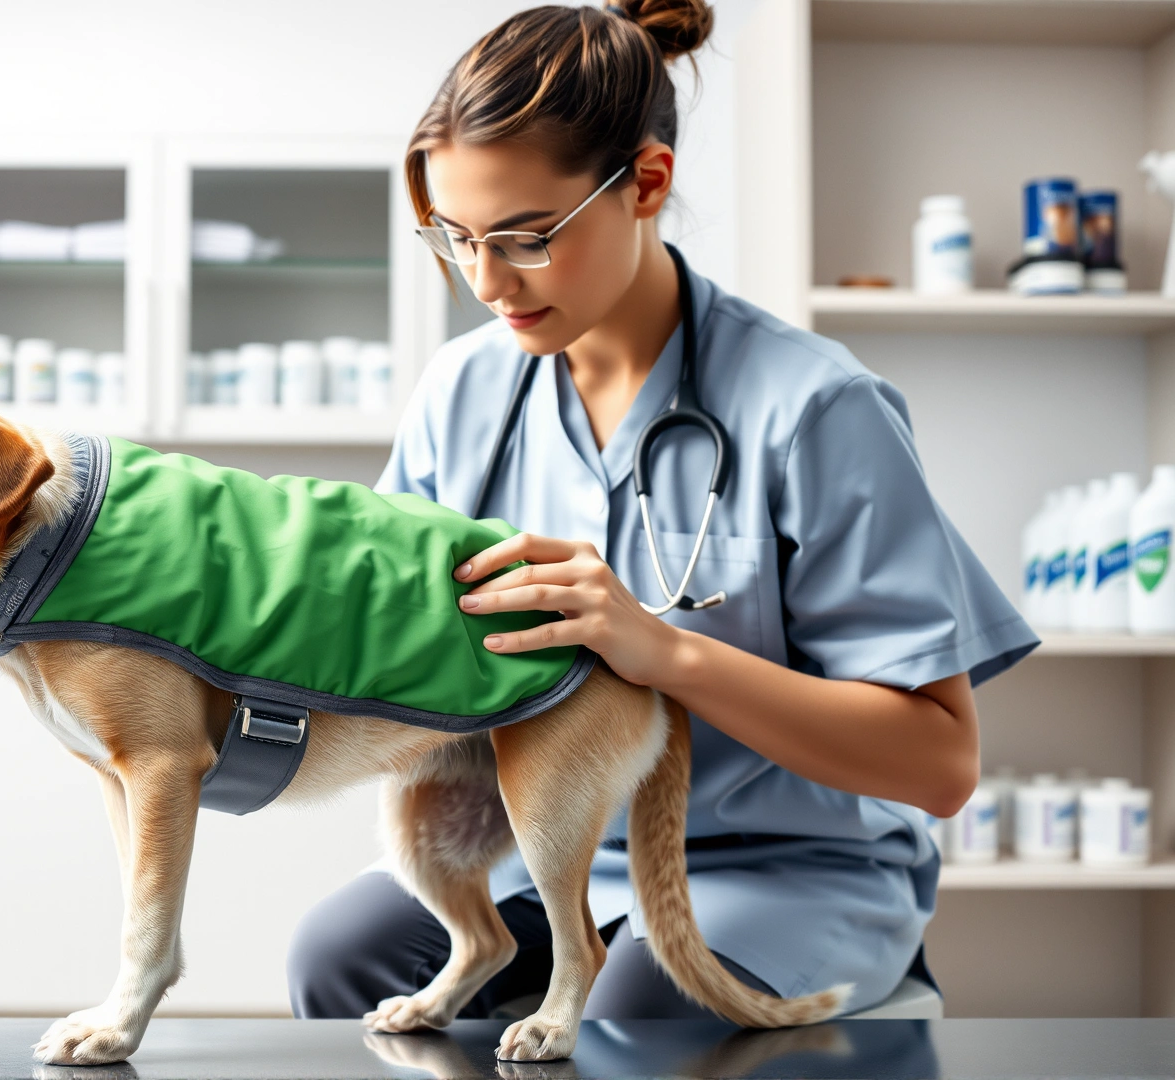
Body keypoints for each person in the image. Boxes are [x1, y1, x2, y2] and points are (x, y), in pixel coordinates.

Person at [287, 0, 1037, 1021]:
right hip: (542, 846)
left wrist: (662, 650)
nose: (487, 280)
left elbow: (940, 764)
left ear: (645, 184)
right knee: (338, 954)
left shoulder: (813, 407)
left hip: (784, 869)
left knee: (636, 1017)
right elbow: (384, 626)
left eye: (528, 236)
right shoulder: (463, 389)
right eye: (454, 238)